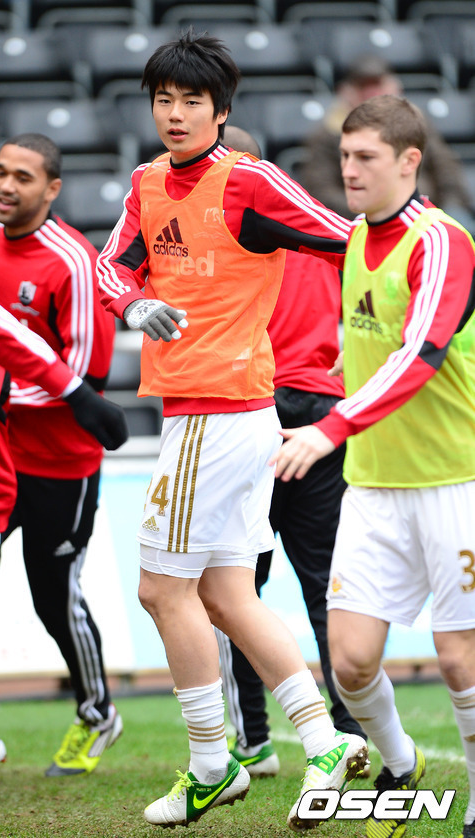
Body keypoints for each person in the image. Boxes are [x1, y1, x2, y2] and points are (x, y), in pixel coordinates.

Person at [96, 29, 368, 832]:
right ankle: (323, 741)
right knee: (223, 594)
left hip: (217, 414)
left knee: (159, 590)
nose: (175, 114)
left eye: (193, 101)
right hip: (224, 417)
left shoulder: (248, 179)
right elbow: (112, 264)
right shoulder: (146, 183)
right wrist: (133, 302)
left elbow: (349, 238)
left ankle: (214, 765)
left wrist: (398, 304)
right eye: (164, 99)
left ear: (221, 111)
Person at [271, 94, 475, 838]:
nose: (349, 170)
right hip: (374, 487)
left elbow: (420, 353)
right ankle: (401, 763)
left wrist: (329, 427)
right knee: (351, 663)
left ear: (409, 162)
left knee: (459, 661)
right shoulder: (356, 235)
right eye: (345, 156)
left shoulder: (442, 241)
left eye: (365, 158)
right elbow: (367, 337)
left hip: (454, 482)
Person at [215, 124, 368, 778]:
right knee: (324, 583)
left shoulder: (213, 229)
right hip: (319, 415)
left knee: (233, 587)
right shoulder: (318, 224)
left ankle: (254, 740)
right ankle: (350, 727)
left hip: (248, 411)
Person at [0, 133, 125, 779]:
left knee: (54, 598)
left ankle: (98, 713)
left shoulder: (73, 261)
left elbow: (87, 378)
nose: (6, 186)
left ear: (53, 188)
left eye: (23, 177)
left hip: (61, 463)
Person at [301, 54, 473, 228]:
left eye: (377, 85)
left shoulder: (416, 121)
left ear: (394, 87)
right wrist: (378, 211)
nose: (372, 94)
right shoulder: (329, 133)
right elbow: (322, 191)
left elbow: (445, 168)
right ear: (347, 92)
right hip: (360, 220)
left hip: (428, 211)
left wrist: (452, 206)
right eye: (363, 87)